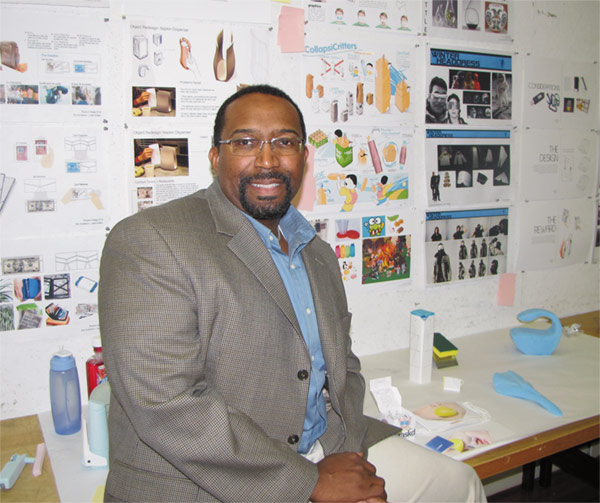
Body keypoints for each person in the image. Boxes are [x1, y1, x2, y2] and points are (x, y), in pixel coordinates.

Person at [99, 84, 485, 502]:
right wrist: (313, 483)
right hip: (206, 481)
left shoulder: (316, 253)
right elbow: (167, 404)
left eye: (284, 142)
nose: (267, 160)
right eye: (245, 142)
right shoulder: (151, 240)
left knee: (459, 484)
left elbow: (342, 366)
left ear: (303, 156)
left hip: (323, 446)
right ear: (215, 157)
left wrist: (346, 457)